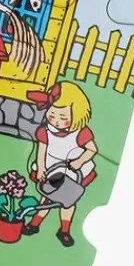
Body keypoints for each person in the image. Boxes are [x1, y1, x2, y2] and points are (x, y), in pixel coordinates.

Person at [22, 82, 97, 248]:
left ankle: (64, 230)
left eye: (63, 117)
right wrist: (41, 168)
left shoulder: (81, 132)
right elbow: (41, 150)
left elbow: (92, 149)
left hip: (73, 172)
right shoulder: (45, 130)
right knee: (46, 198)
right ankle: (34, 224)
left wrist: (79, 161)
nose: (56, 121)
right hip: (51, 168)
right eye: (52, 114)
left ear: (77, 115)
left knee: (68, 202)